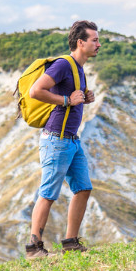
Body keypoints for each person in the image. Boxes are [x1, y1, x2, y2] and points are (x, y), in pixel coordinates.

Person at [23, 20, 100, 258]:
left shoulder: (78, 68)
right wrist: (67, 101)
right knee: (48, 193)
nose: (99, 44)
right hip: (56, 139)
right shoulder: (63, 65)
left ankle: (70, 242)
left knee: (84, 188)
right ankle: (34, 248)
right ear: (81, 42)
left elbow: (70, 95)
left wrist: (83, 98)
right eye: (94, 40)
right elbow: (36, 91)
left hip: (71, 140)